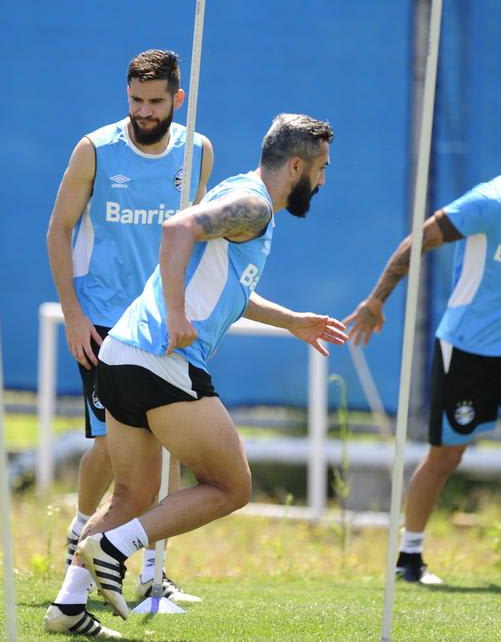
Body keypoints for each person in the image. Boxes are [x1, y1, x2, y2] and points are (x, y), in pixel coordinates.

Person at [44, 113, 347, 637]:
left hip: (122, 355)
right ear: (296, 165)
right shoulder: (252, 204)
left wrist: (292, 321)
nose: (322, 181)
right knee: (231, 486)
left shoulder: (241, 194)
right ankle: (115, 549)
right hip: (161, 360)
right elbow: (177, 228)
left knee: (130, 498)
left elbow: (228, 287)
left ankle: (69, 606)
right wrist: (178, 313)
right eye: (321, 169)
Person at [345, 114, 501, 585]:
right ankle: (409, 558)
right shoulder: (490, 202)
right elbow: (418, 238)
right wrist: (376, 300)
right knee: (446, 457)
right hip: (467, 350)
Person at [45, 49, 213, 604]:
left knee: (162, 447)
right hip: (102, 321)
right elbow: (59, 231)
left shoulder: (197, 152)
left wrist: (185, 310)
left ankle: (149, 575)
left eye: (155, 101)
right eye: (136, 100)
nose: (144, 110)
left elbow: (195, 234)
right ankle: (82, 531)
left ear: (176, 100)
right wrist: (73, 314)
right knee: (115, 450)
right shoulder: (95, 150)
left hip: (159, 322)